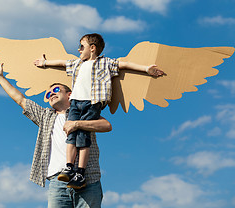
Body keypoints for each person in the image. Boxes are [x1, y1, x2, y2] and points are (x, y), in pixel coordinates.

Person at [34, 33, 164, 189]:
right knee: (71, 134)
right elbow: (62, 63)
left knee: (83, 136)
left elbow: (125, 65)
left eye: (82, 46)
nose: (78, 49)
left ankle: (80, 172)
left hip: (92, 103)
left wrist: (146, 69)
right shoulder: (77, 64)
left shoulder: (105, 63)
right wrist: (45, 63)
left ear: (92, 48)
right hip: (75, 103)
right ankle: (69, 167)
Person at [0, 57, 112, 208]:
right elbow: (21, 100)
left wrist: (77, 124)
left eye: (56, 90)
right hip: (58, 180)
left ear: (70, 95)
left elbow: (106, 125)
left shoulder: (82, 113)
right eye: (48, 94)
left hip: (87, 179)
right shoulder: (45, 116)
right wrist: (0, 78)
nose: (51, 94)